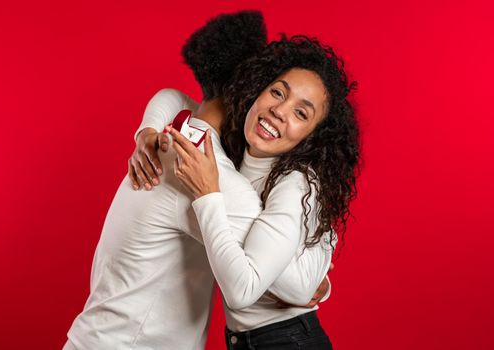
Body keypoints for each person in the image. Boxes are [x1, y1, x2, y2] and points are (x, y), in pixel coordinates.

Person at [64, 12, 331, 350]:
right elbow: (295, 286)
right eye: (273, 91)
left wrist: (146, 127)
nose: (276, 109)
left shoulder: (171, 140)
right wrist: (320, 272)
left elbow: (173, 96)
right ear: (250, 87)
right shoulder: (208, 175)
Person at [136, 35, 359, 349]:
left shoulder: (297, 183)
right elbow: (175, 98)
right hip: (251, 341)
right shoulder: (239, 156)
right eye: (277, 92)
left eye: (301, 114)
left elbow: (243, 292)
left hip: (287, 340)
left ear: (312, 136)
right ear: (257, 91)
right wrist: (146, 131)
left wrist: (207, 195)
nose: (281, 110)